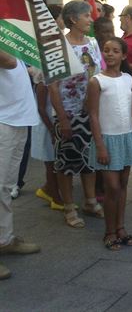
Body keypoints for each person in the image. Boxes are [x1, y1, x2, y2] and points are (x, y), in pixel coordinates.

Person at [49, 0, 104, 228]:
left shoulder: (92, 43)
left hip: (89, 111)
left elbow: (98, 73)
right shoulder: (57, 46)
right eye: (87, 16)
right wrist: (62, 118)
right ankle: (69, 207)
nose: (91, 20)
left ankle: (90, 201)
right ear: (73, 19)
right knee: (67, 160)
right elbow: (53, 85)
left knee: (88, 158)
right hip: (66, 111)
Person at [87, 38, 132, 250]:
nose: (110, 54)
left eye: (115, 51)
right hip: (108, 139)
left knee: (123, 186)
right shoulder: (97, 81)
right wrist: (100, 144)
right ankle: (109, 231)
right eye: (106, 50)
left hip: (126, 136)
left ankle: (121, 227)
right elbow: (93, 114)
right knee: (112, 187)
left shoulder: (128, 78)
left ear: (124, 55)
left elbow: (131, 107)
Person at [0, 51, 41, 280]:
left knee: (6, 187)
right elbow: (8, 60)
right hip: (3, 120)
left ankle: (5, 239)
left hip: (17, 117)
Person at [30, 5, 64, 211]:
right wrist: (52, 129)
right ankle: (55, 197)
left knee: (55, 159)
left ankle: (47, 188)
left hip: (53, 117)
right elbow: (41, 105)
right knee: (51, 161)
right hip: (47, 120)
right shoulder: (44, 68)